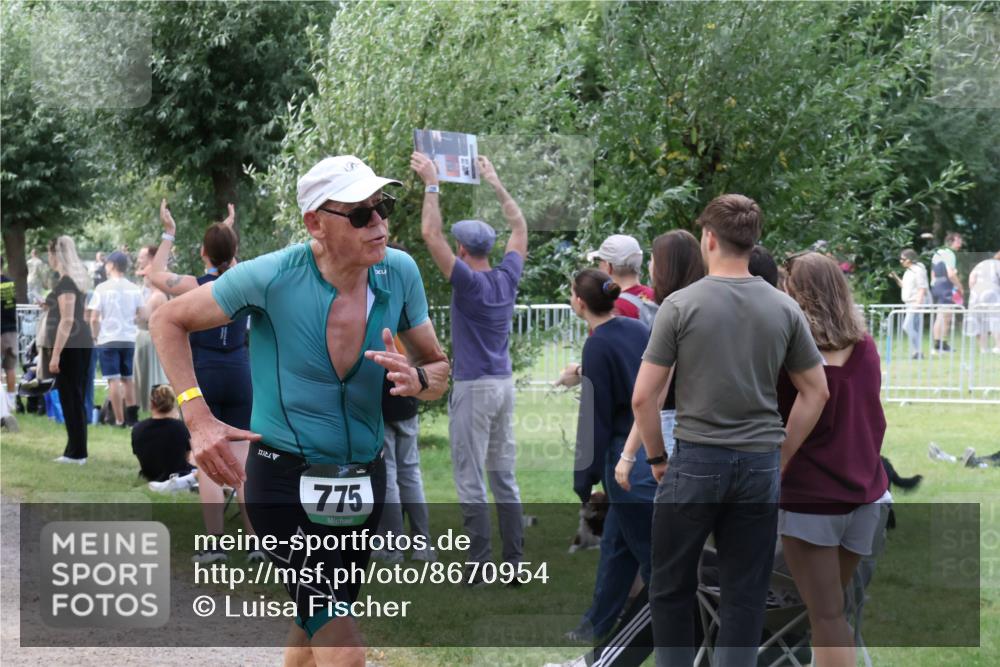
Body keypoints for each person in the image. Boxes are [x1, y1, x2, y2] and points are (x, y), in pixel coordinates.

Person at [151, 154, 449, 666]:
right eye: (360, 215)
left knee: (311, 631)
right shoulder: (271, 276)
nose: (379, 223)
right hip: (281, 483)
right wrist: (197, 418)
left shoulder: (398, 273)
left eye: (383, 207)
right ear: (316, 223)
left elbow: (438, 369)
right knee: (345, 650)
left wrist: (418, 380)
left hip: (362, 483)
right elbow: (167, 320)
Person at [632, 194, 829, 667]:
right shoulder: (784, 308)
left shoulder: (679, 305)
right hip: (759, 465)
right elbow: (816, 392)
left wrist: (657, 459)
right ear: (752, 241)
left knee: (671, 586)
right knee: (745, 592)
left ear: (710, 238)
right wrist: (781, 454)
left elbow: (643, 397)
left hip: (697, 460)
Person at [411, 150, 527, 581]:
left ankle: (478, 564)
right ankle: (514, 565)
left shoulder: (469, 281)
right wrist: (495, 182)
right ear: (489, 248)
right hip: (503, 384)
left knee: (470, 477)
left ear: (462, 249)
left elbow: (429, 232)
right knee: (504, 477)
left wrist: (432, 182)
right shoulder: (506, 276)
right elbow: (519, 226)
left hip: (474, 387)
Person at [778, 252, 890, 667]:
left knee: (825, 616)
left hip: (811, 497)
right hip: (865, 493)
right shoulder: (865, 346)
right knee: (831, 611)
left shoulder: (791, 353)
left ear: (796, 293)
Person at [149, 201, 258, 563]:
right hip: (241, 376)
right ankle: (257, 544)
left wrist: (169, 232)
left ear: (202, 253)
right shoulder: (244, 283)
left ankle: (215, 545)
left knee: (206, 461)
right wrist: (228, 230)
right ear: (235, 252)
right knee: (243, 464)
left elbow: (155, 273)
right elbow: (231, 259)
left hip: (204, 378)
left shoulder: (198, 286)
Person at [568, 269, 656, 642]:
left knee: (656, 564)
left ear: (580, 303)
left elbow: (595, 417)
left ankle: (678, 636)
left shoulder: (597, 344)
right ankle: (594, 627)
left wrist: (583, 477)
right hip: (652, 445)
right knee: (618, 550)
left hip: (626, 460)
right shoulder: (637, 329)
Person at [44, 236, 94, 464]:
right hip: (80, 342)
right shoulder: (75, 282)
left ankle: (76, 453)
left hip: (71, 345)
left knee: (71, 398)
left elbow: (66, 321)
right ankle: (75, 449)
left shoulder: (65, 283)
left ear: (57, 254)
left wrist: (55, 355)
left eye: (50, 253)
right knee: (76, 397)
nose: (49, 258)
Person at [88, 250, 144, 427]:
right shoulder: (135, 288)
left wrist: (95, 336)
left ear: (111, 265)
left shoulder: (102, 288)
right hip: (128, 338)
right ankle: (133, 418)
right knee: (128, 379)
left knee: (113, 379)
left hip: (108, 338)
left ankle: (119, 419)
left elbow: (94, 318)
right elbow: (141, 315)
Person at [132, 384, 197, 489]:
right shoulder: (180, 427)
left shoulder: (137, 428)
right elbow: (187, 457)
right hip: (178, 475)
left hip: (150, 476)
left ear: (151, 404)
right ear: (173, 403)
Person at [134, 244, 169, 412]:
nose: (144, 279)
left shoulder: (157, 296)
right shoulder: (155, 294)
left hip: (150, 338)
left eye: (145, 276)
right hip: (147, 338)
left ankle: (153, 404)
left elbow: (143, 317)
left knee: (152, 373)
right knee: (146, 373)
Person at [587, 234, 655, 321]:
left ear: (609, 266)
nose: (599, 266)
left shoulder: (608, 310)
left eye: (600, 261)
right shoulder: (656, 298)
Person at [890, 248, 930, 359]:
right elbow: (904, 286)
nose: (901, 261)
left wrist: (918, 304)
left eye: (903, 259)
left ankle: (918, 351)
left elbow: (922, 288)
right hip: (909, 303)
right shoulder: (908, 271)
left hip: (915, 303)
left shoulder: (918, 270)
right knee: (914, 328)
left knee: (907, 326)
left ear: (910, 259)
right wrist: (895, 277)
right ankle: (917, 352)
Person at [930, 231, 963, 352]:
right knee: (945, 316)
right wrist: (960, 287)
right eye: (958, 241)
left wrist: (933, 284)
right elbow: (951, 273)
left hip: (936, 285)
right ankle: (940, 345)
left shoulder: (937, 253)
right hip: (946, 286)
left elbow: (932, 273)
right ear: (950, 242)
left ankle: (939, 344)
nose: (960, 244)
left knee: (941, 315)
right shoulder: (950, 254)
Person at [965, 250, 1000, 353]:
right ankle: (998, 346)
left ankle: (983, 348)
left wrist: (973, 291)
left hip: (976, 291)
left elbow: (972, 278)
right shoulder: (998, 264)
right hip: (992, 290)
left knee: (978, 319)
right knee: (996, 319)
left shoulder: (982, 263)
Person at [1, 257, 19, 431]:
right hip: (11, 330)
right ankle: (11, 400)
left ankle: (3, 405)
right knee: (10, 367)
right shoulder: (9, 284)